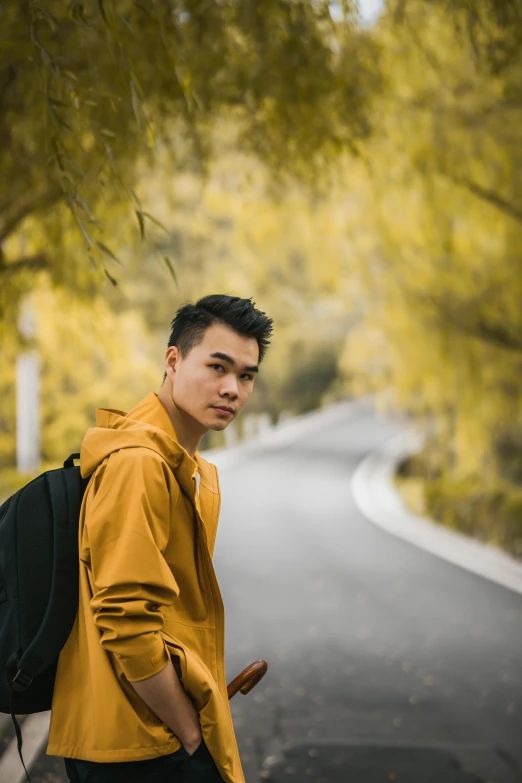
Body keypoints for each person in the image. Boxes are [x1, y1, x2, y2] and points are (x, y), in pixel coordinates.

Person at [47, 294, 273, 783]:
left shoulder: (186, 470)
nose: (232, 388)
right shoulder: (138, 465)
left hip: (150, 735)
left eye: (246, 375)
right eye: (217, 366)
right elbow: (126, 621)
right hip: (138, 747)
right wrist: (191, 734)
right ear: (173, 360)